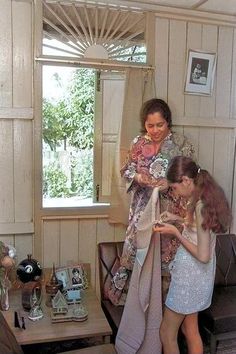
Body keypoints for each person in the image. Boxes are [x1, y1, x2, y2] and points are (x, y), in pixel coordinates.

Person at [108, 98, 195, 306]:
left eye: (160, 125)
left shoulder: (182, 144)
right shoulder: (139, 143)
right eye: (150, 125)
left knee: (166, 257)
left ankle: (164, 312)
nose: (155, 130)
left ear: (168, 122)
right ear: (144, 124)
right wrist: (138, 177)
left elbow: (191, 176)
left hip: (170, 211)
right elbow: (127, 169)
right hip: (142, 209)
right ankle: (135, 313)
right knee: (137, 252)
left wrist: (170, 182)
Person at [154, 156, 231, 354]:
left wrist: (176, 232)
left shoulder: (201, 206)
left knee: (166, 333)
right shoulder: (204, 198)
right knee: (190, 330)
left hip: (190, 277)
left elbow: (203, 255)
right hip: (199, 276)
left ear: (186, 181)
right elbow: (201, 231)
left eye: (174, 187)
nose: (174, 192)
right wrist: (178, 219)